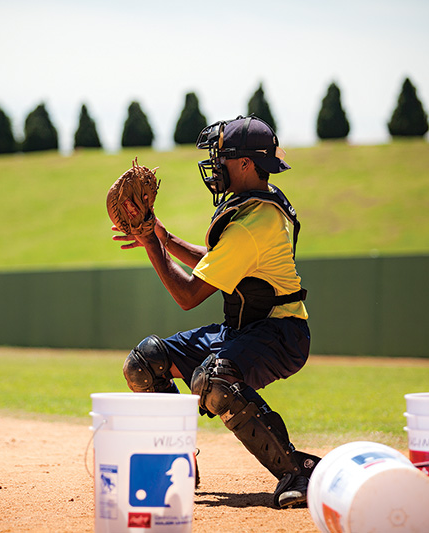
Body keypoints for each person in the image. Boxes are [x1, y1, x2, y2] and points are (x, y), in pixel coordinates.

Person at [112, 115, 321, 509]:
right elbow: (217, 261)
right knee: (145, 363)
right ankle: (177, 462)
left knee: (214, 380)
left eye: (222, 157)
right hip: (244, 330)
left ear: (245, 164)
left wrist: (150, 246)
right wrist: (164, 237)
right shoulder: (252, 211)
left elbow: (189, 295)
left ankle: (298, 471)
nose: (215, 165)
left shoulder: (252, 225)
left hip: (281, 334)